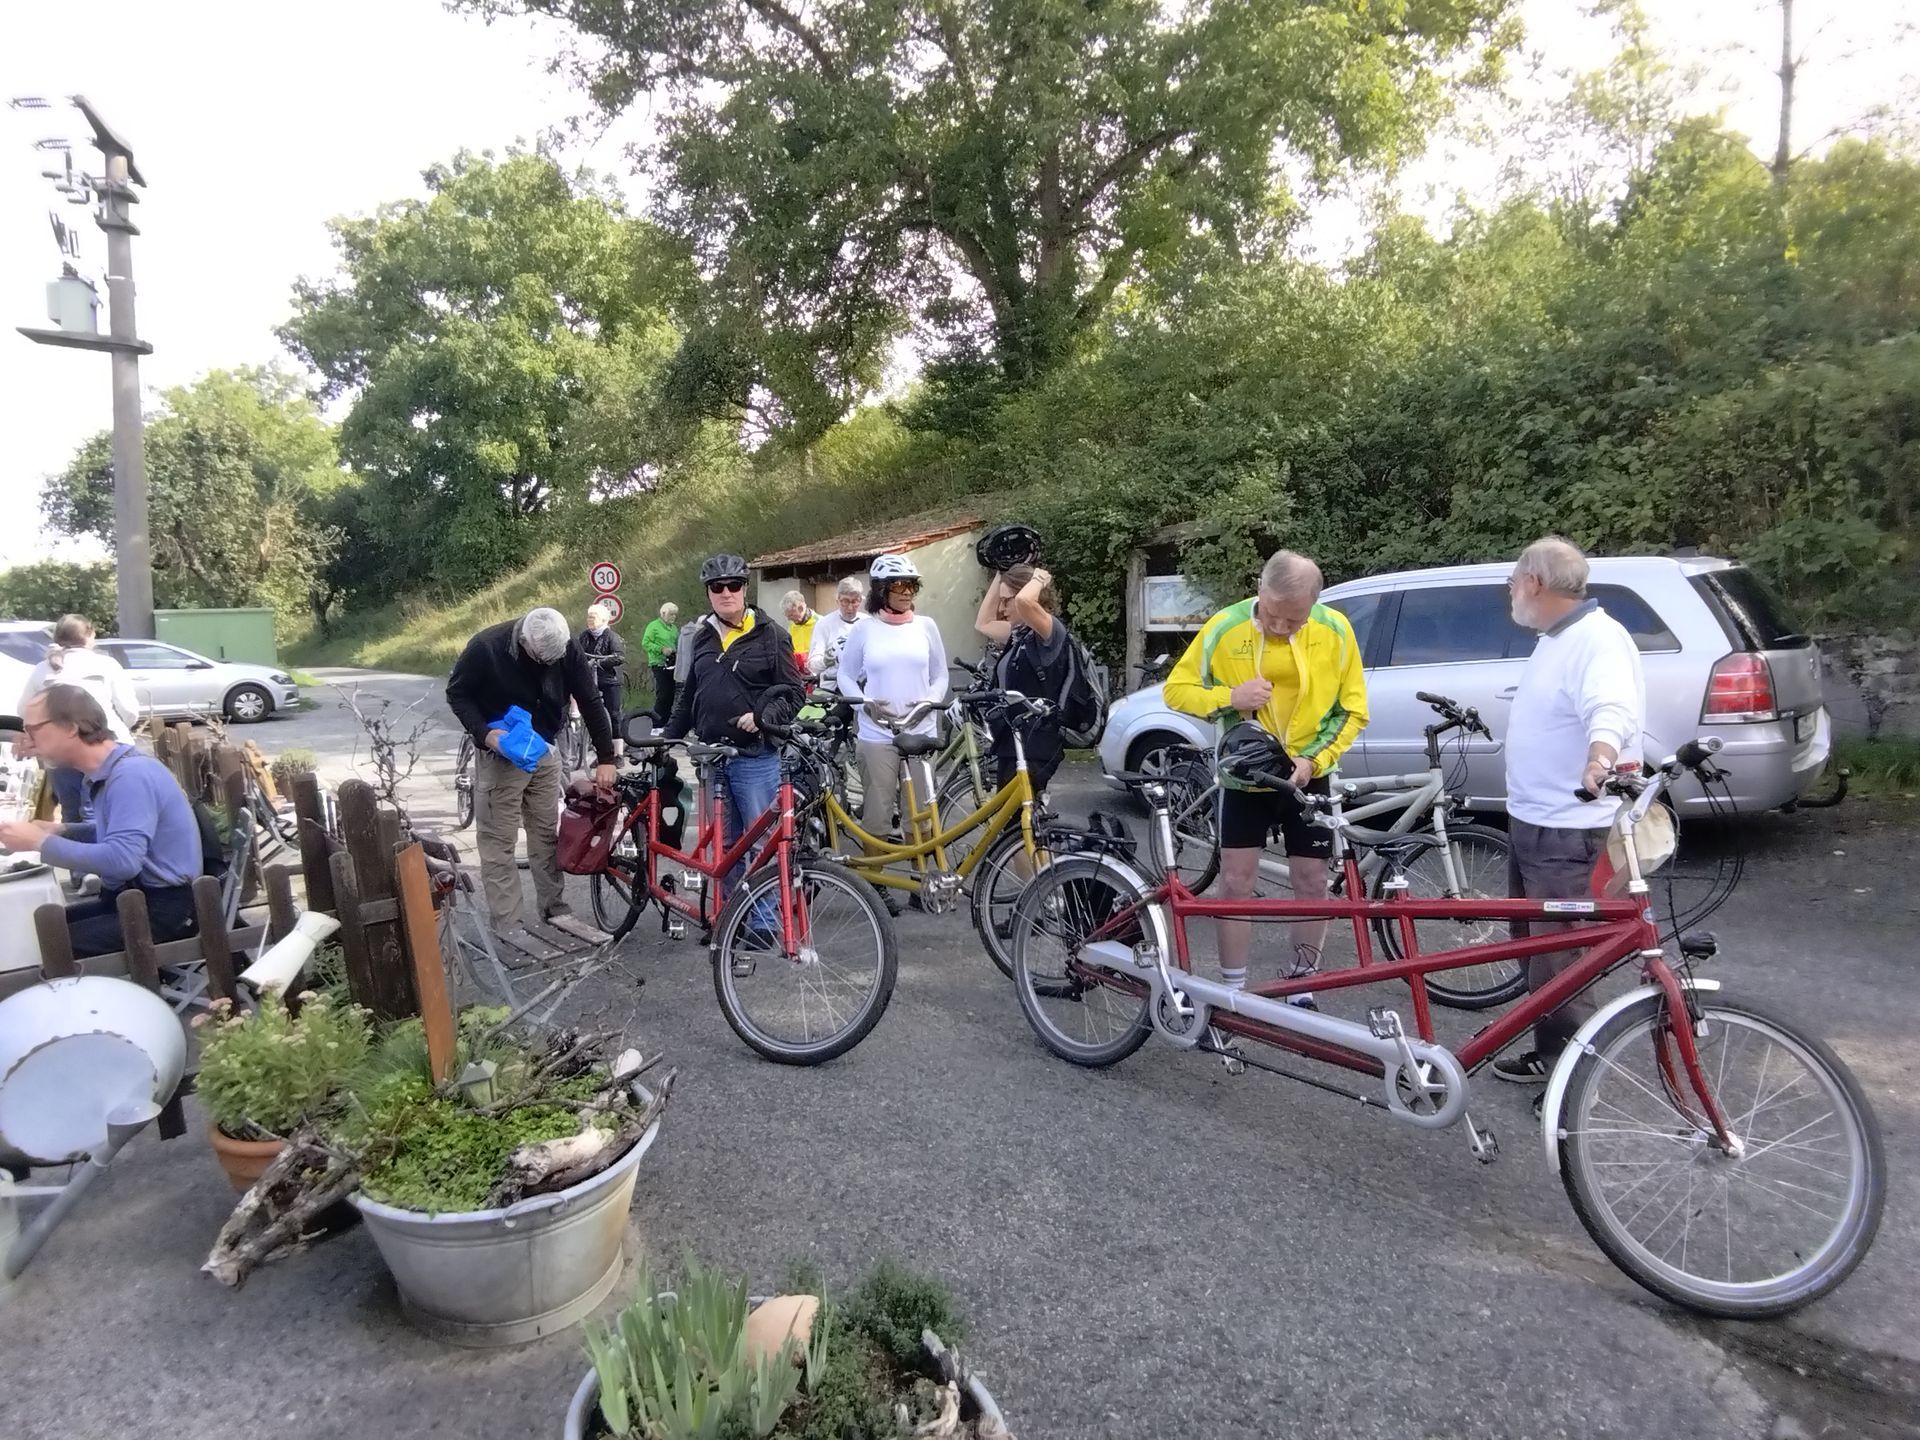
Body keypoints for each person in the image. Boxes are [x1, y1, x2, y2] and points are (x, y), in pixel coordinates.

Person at [1164, 550, 1369, 1004]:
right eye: (1273, 614)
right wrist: (1229, 697)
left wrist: (1313, 760)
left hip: (1307, 774)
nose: (1280, 626)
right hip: (1245, 775)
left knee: (1312, 880)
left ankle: (1302, 985)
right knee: (1236, 882)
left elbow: (1353, 709)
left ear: (1314, 604)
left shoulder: (1335, 630)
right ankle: (1232, 989)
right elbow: (1176, 691)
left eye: (1294, 621)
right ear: (1260, 588)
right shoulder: (1225, 626)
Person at [1492, 536, 1646, 1086]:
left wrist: (1599, 758)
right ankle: (1551, 1053)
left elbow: (1612, 707)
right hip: (1535, 819)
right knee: (1536, 945)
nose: (1510, 592)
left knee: (1562, 952)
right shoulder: (1557, 637)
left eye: (1513, 582)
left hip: (1566, 827)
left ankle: (1572, 1076)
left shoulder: (1596, 640)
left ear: (1533, 583)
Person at [446, 607, 617, 935]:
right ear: (524, 642)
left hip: (545, 748)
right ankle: (509, 925)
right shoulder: (486, 647)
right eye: (541, 660)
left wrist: (607, 756)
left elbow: (590, 699)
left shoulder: (565, 645)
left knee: (546, 835)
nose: (547, 666)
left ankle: (555, 909)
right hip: (501, 755)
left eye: (554, 660)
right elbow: (457, 693)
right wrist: (486, 734)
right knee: (499, 843)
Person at [0, 685, 202, 957]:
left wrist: (40, 842)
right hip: (135, 899)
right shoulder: (116, 767)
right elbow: (122, 835)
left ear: (71, 728)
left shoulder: (129, 776)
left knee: (33, 948)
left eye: (32, 729)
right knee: (29, 931)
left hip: (164, 912)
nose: (27, 739)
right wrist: (62, 830)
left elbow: (123, 860)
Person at [662, 554, 804, 919]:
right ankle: (732, 919)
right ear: (708, 592)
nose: (726, 593)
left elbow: (794, 694)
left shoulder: (772, 635)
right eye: (717, 587)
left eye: (734, 585)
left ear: (745, 588)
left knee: (760, 843)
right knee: (725, 846)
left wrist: (763, 718)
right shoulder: (701, 637)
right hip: (713, 758)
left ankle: (764, 922)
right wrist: (666, 739)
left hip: (755, 757)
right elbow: (689, 695)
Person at [834, 555, 948, 845]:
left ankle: (920, 873)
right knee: (877, 814)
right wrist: (863, 704)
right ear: (880, 590)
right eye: (899, 585)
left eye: (912, 586)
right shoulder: (864, 629)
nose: (907, 592)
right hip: (877, 734)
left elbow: (940, 675)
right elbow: (845, 675)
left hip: (920, 732)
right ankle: (874, 874)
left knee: (920, 815)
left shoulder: (926, 626)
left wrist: (928, 703)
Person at [22, 614, 140, 823]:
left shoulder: (42, 668)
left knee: (71, 812)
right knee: (96, 813)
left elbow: (24, 711)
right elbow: (129, 710)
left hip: (60, 750)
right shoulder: (106, 664)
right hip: (100, 746)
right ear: (88, 635)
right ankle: (98, 843)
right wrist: (118, 730)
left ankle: (71, 843)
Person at [973, 563, 1068, 798]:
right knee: (1010, 815)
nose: (1002, 608)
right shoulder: (1019, 635)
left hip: (1036, 743)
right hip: (1012, 740)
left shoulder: (1048, 631)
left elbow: (1025, 602)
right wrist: (1000, 572)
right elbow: (983, 623)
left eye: (1007, 601)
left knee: (1020, 814)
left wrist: (1039, 578)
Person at [579, 603, 628, 755]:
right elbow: (576, 653)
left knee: (614, 715)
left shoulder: (612, 637)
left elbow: (619, 657)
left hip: (610, 680)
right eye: (588, 617)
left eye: (593, 617)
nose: (589, 620)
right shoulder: (584, 636)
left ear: (603, 620)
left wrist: (600, 662)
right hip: (590, 679)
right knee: (592, 714)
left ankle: (618, 753)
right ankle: (600, 752)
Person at [806, 576, 866, 692]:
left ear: (860, 601)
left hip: (861, 687)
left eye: (854, 602)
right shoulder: (824, 624)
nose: (850, 608)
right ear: (837, 600)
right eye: (845, 601)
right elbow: (812, 665)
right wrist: (826, 661)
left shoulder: (867, 623)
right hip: (832, 689)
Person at [642, 602, 680, 724]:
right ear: (663, 613)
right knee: (663, 694)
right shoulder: (653, 626)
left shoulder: (674, 628)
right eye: (671, 614)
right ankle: (657, 723)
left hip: (672, 663)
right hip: (658, 663)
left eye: (675, 615)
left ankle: (667, 723)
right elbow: (645, 643)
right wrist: (661, 649)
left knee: (671, 694)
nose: (673, 617)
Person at [781, 590, 819, 669]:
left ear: (801, 608)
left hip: (815, 670)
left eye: (791, 615)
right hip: (797, 671)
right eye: (787, 616)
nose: (789, 619)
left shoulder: (820, 623)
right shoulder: (792, 627)